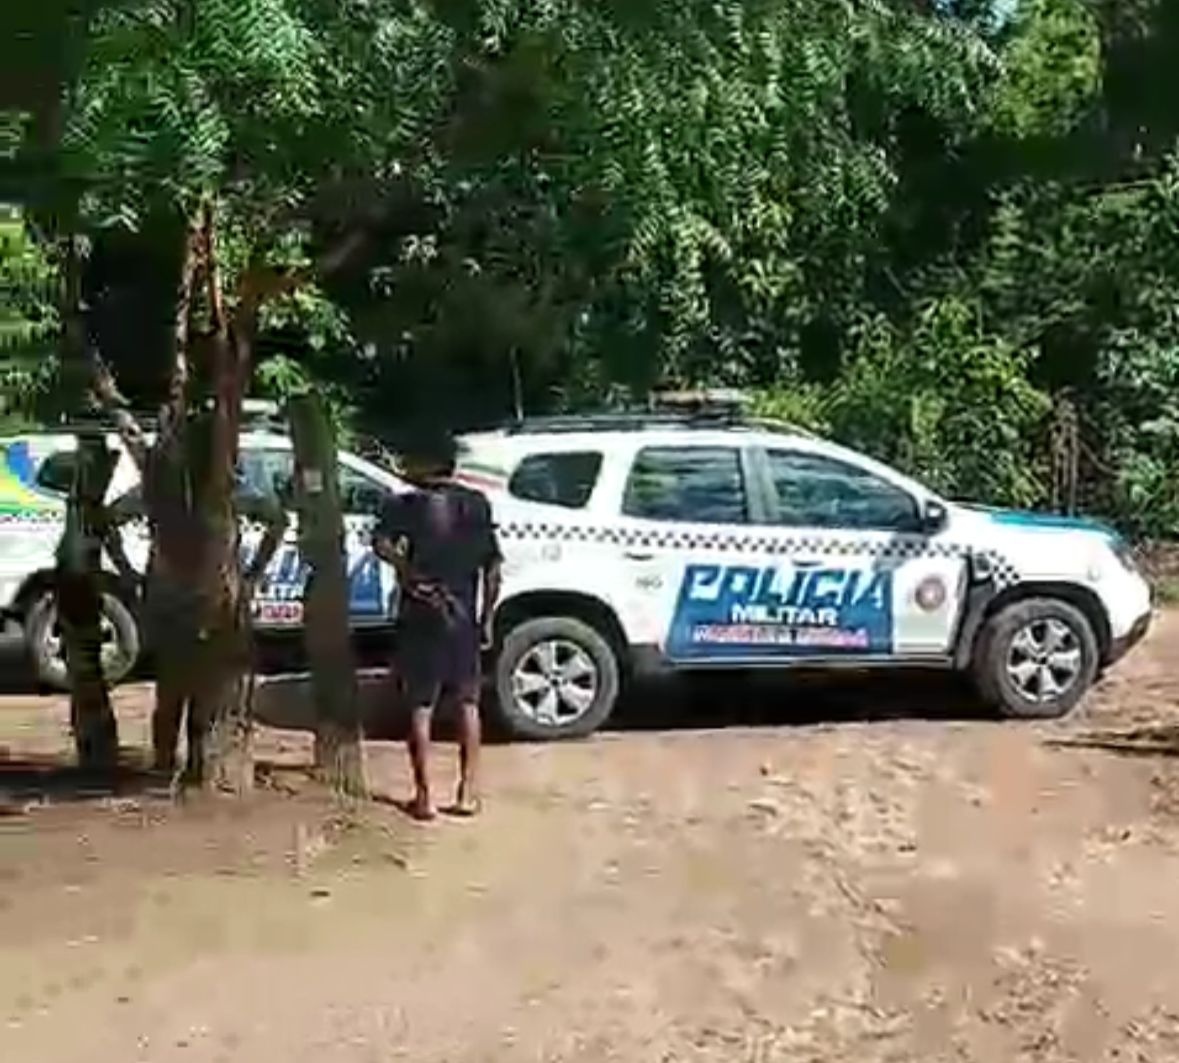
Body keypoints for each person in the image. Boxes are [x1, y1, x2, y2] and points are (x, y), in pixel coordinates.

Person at [95, 384, 287, 778]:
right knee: (192, 692)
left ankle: (177, 767)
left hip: (186, 600)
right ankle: (183, 767)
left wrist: (131, 571)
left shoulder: (181, 489)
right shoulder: (204, 489)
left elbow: (107, 522)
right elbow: (276, 520)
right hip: (202, 601)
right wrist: (252, 574)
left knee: (178, 692)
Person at [373, 427, 502, 821]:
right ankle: (467, 792)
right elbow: (493, 567)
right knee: (467, 702)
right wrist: (488, 617)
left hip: (420, 609)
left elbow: (379, 543)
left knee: (420, 704)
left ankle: (424, 795)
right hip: (463, 612)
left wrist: (406, 570)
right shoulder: (477, 505)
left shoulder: (404, 505)